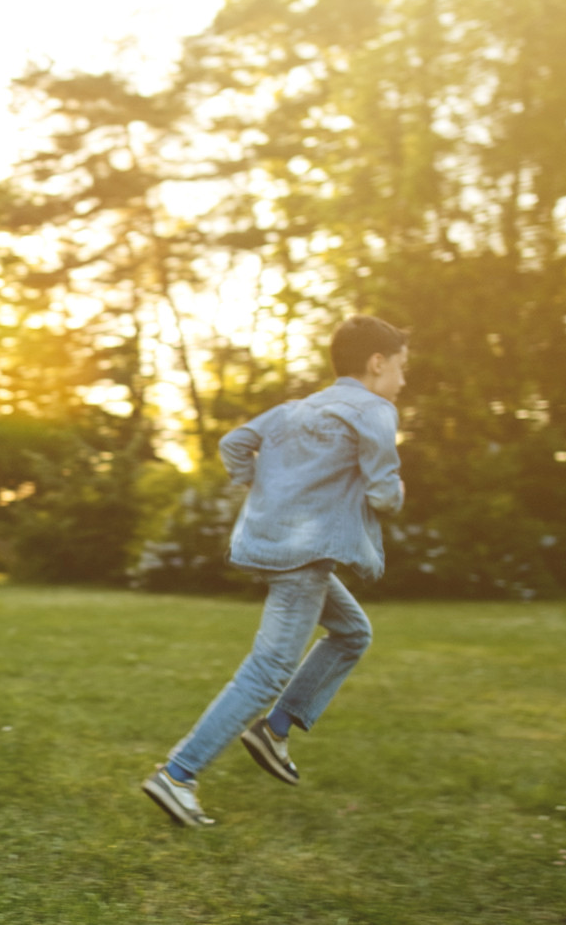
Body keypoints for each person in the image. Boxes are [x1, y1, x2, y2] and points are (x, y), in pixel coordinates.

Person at [139, 316, 409, 828]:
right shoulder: (376, 409)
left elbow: (234, 445)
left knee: (352, 633)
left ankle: (275, 728)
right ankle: (178, 775)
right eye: (401, 368)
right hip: (304, 559)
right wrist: (397, 494)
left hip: (272, 547)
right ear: (378, 363)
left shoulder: (293, 410)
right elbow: (381, 492)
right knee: (267, 669)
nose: (402, 380)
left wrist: (264, 490)